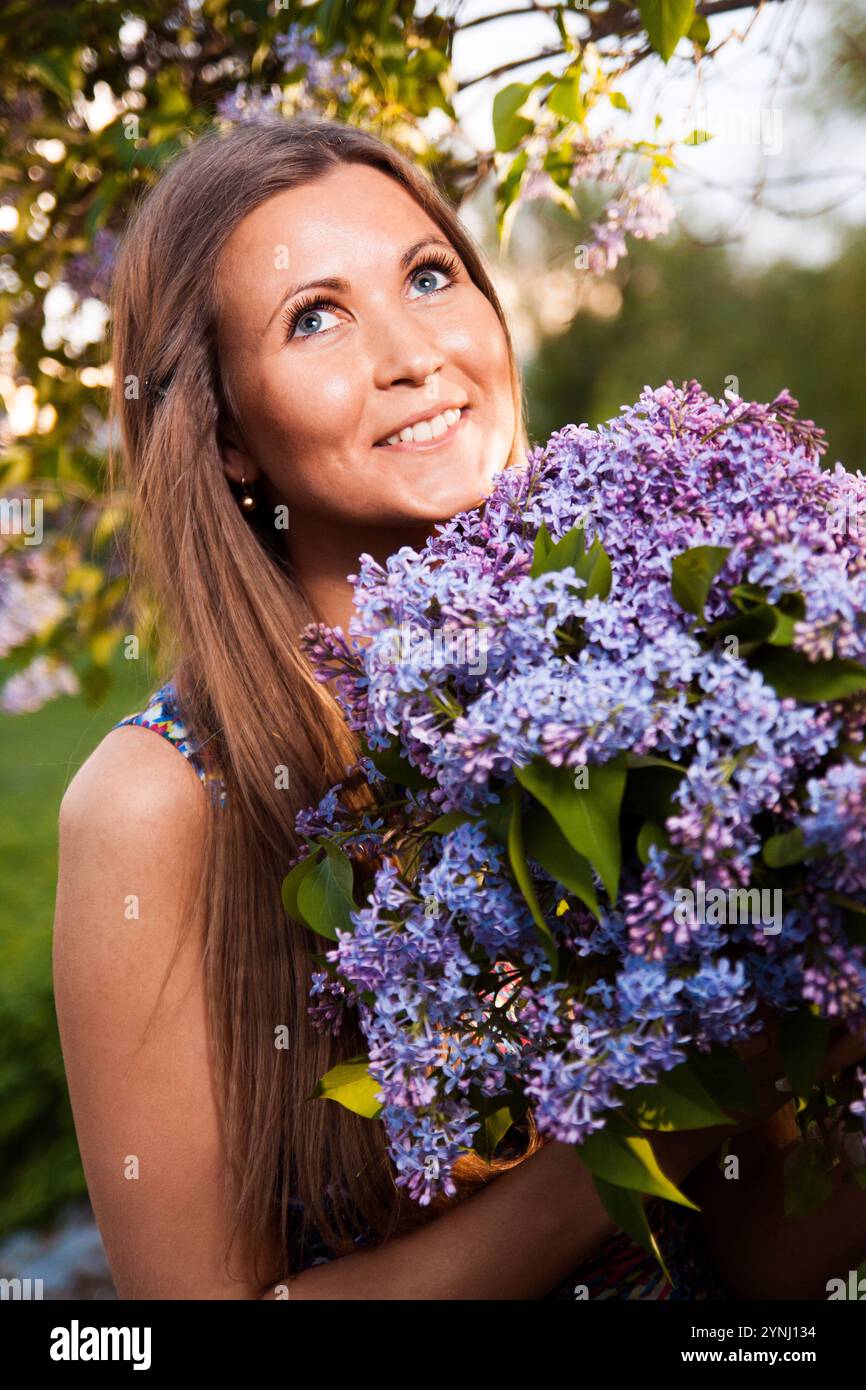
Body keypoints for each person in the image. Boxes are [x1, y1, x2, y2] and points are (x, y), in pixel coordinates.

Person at [52, 114, 866, 1301]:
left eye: (429, 277)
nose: (411, 353)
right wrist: (632, 1129)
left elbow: (752, 1256)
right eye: (313, 317)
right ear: (224, 431)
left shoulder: (653, 679)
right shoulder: (162, 802)